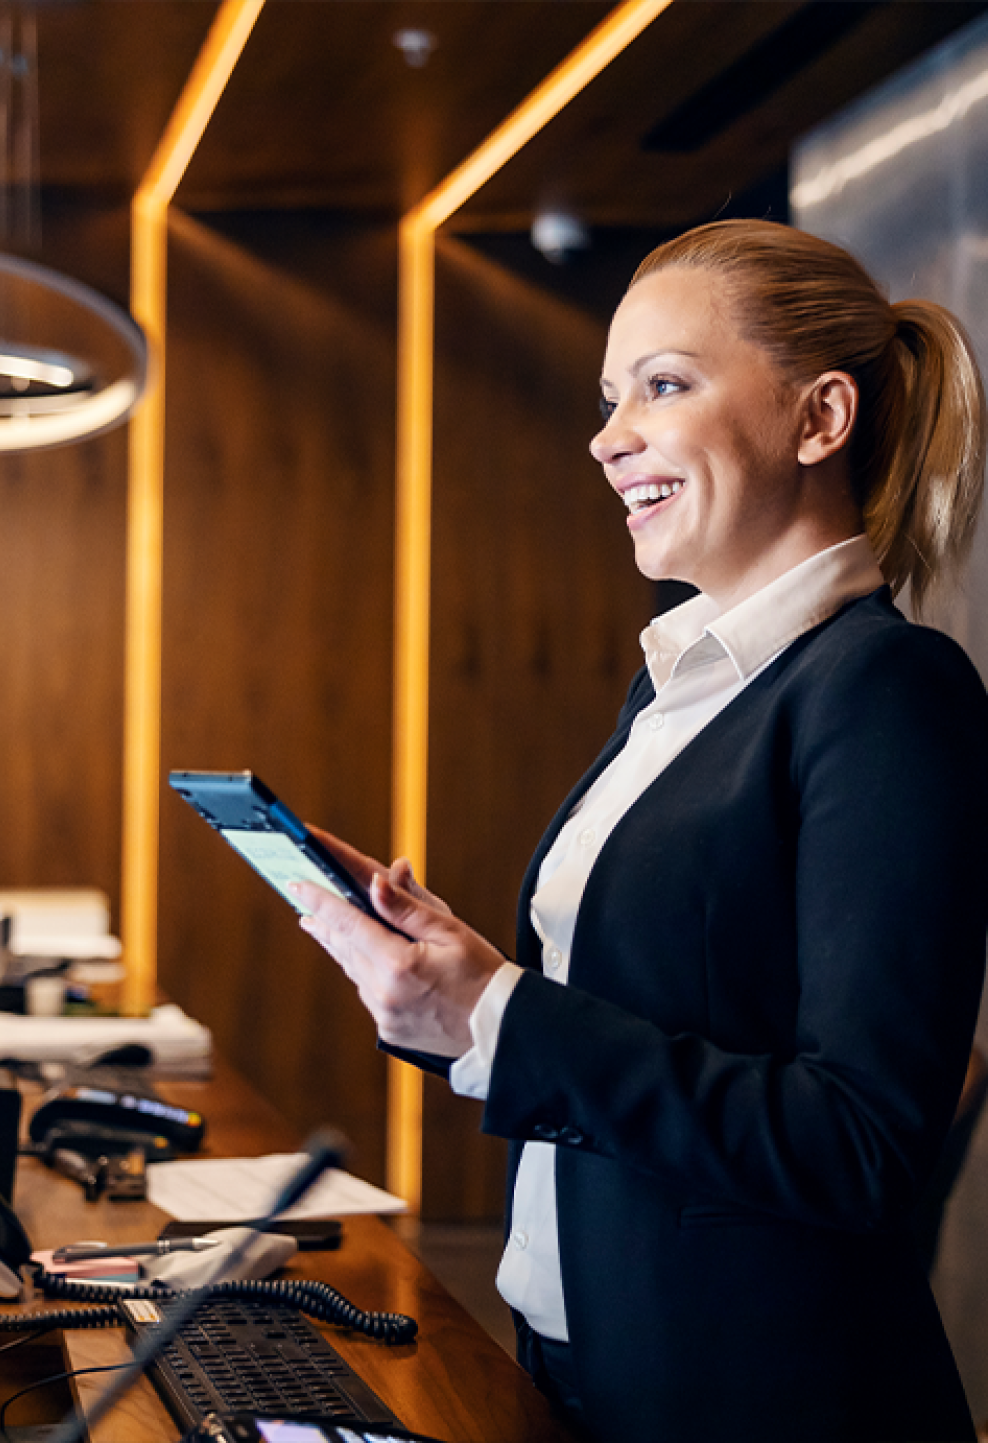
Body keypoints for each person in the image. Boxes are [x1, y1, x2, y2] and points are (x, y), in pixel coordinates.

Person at [294, 219, 988, 1443]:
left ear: (818, 419)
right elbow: (640, 1018)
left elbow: (860, 1143)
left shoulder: (885, 691)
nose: (607, 437)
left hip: (748, 1402)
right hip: (578, 1361)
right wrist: (457, 989)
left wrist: (502, 1015)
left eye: (661, 386)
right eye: (609, 398)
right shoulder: (679, 684)